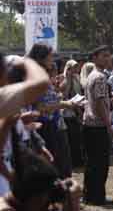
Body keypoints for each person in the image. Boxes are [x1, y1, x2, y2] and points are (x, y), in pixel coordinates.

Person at [28, 44, 75, 179]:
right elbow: (40, 107)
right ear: (40, 58)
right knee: (51, 165)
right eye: (50, 56)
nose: (52, 59)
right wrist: (64, 104)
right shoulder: (34, 78)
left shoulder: (43, 77)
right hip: (43, 126)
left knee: (60, 163)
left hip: (53, 124)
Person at [82, 46, 113, 206]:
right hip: (98, 124)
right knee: (100, 164)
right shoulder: (100, 77)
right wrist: (108, 124)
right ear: (94, 58)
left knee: (91, 163)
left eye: (108, 56)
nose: (107, 58)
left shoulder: (90, 75)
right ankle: (97, 196)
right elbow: (100, 103)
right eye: (104, 56)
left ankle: (88, 195)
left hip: (89, 123)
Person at [59, 60, 84, 168]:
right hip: (67, 111)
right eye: (73, 67)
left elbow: (80, 91)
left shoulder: (77, 78)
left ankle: (78, 159)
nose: (75, 69)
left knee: (77, 137)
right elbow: (63, 94)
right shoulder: (63, 78)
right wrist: (68, 80)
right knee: (71, 137)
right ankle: (72, 161)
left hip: (77, 108)